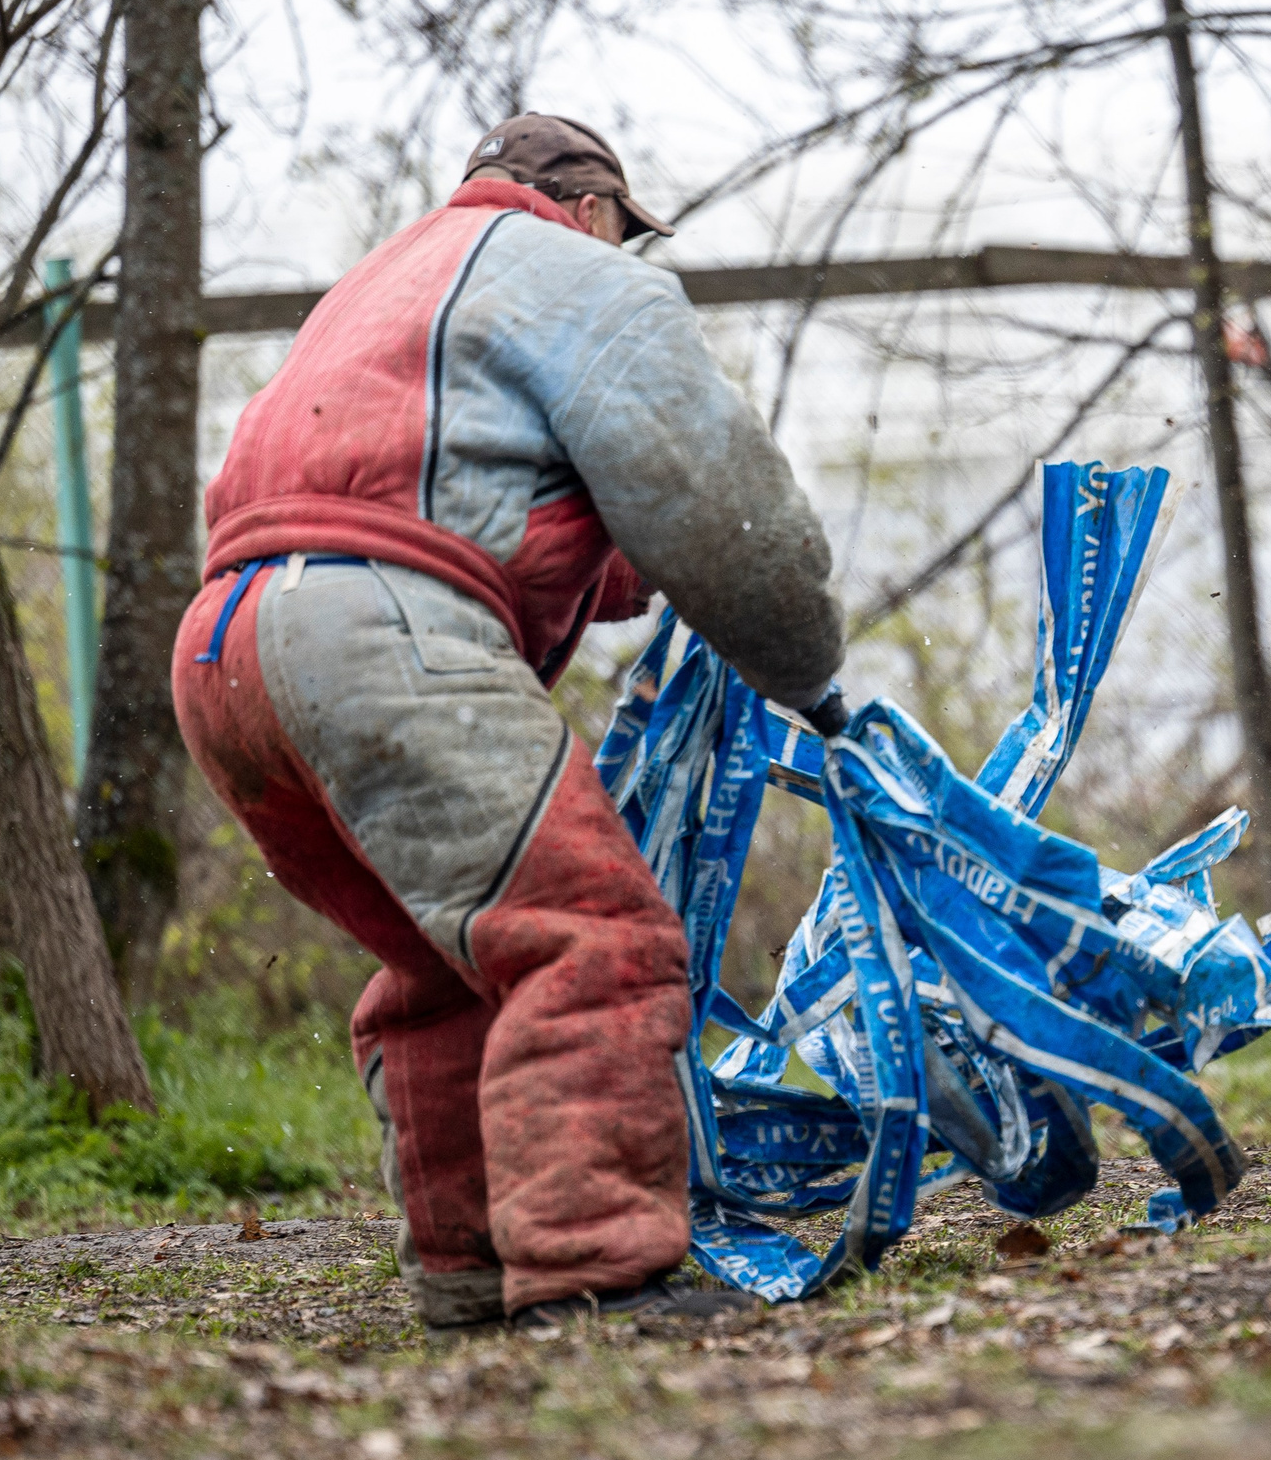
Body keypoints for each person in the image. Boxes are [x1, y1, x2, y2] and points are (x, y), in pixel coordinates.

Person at [173, 114, 852, 1336]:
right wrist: (812, 678)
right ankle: (594, 1269)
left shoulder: (383, 285)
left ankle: (472, 1267)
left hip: (227, 653)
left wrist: (623, 583)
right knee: (590, 932)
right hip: (379, 636)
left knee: (450, 963)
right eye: (625, 228)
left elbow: (430, 500)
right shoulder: (583, 279)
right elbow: (721, 512)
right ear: (595, 211)